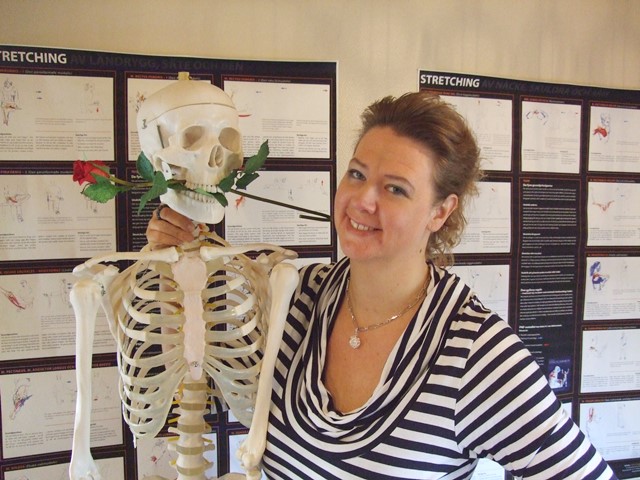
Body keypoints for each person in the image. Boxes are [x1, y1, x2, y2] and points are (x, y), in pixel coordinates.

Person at [146, 92, 616, 479]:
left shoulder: (473, 352)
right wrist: (172, 268)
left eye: (395, 189)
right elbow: (202, 382)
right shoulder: (295, 298)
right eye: (357, 174)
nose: (362, 200)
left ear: (440, 212)